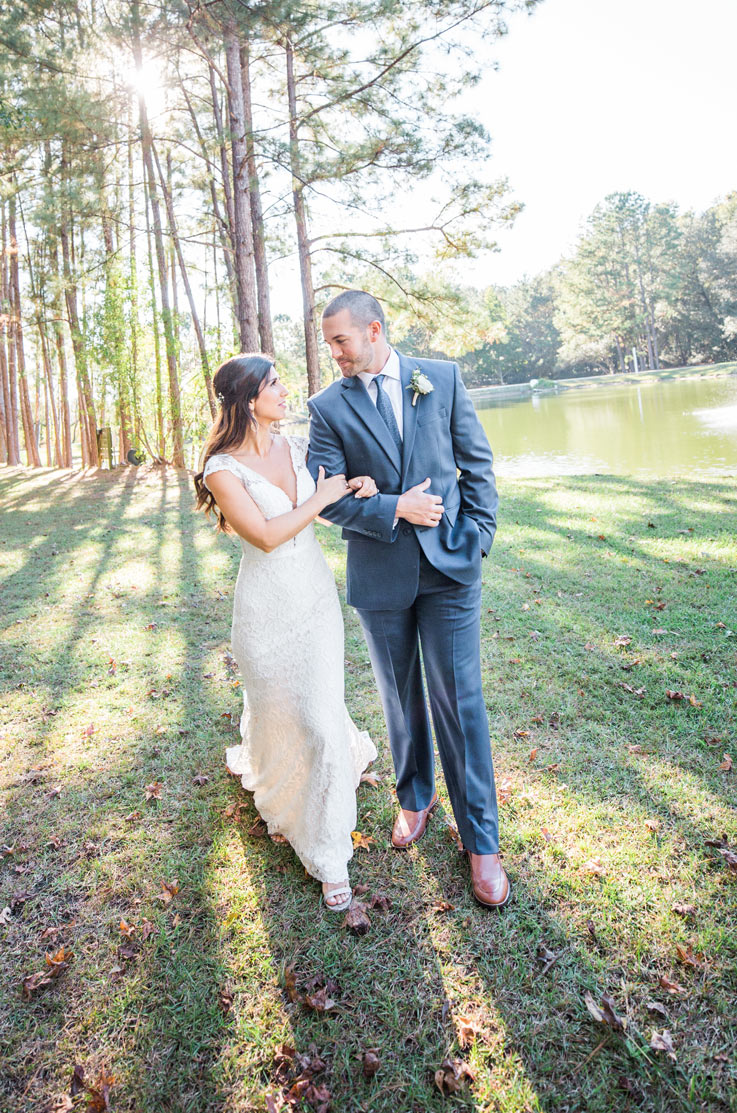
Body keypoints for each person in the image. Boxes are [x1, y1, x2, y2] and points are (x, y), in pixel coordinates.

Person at [307, 291, 510, 908]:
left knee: (460, 701)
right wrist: (394, 506)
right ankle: (414, 799)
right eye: (329, 344)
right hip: (380, 574)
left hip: (450, 568)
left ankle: (481, 842)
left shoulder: (440, 379)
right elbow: (328, 498)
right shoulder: (326, 408)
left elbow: (476, 465)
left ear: (373, 330)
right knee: (399, 696)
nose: (334, 353)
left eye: (341, 340)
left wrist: (478, 537)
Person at [194, 353, 377, 912]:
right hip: (266, 609)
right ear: (250, 399)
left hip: (315, 600)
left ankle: (328, 856)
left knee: (321, 720)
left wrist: (352, 489)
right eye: (274, 383)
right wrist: (319, 498)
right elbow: (268, 535)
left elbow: (317, 508)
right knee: (278, 714)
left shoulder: (293, 448)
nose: (284, 389)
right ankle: (285, 797)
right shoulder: (222, 470)